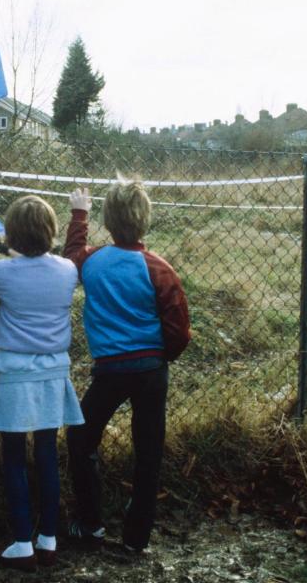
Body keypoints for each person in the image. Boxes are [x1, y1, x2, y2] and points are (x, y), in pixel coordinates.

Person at [63, 181, 191, 554]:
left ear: (109, 220)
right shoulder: (160, 269)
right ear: (146, 219)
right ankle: (137, 537)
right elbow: (179, 328)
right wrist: (162, 356)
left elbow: (71, 255)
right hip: (152, 371)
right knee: (148, 451)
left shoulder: (92, 261)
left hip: (110, 372)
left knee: (81, 439)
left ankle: (90, 524)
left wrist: (78, 214)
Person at [0, 196, 84, 572]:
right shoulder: (66, 270)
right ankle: (48, 538)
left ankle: (20, 542)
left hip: (16, 375)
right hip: (52, 374)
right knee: (46, 455)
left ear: (10, 234)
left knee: (13, 457)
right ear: (52, 231)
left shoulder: (3, 272)